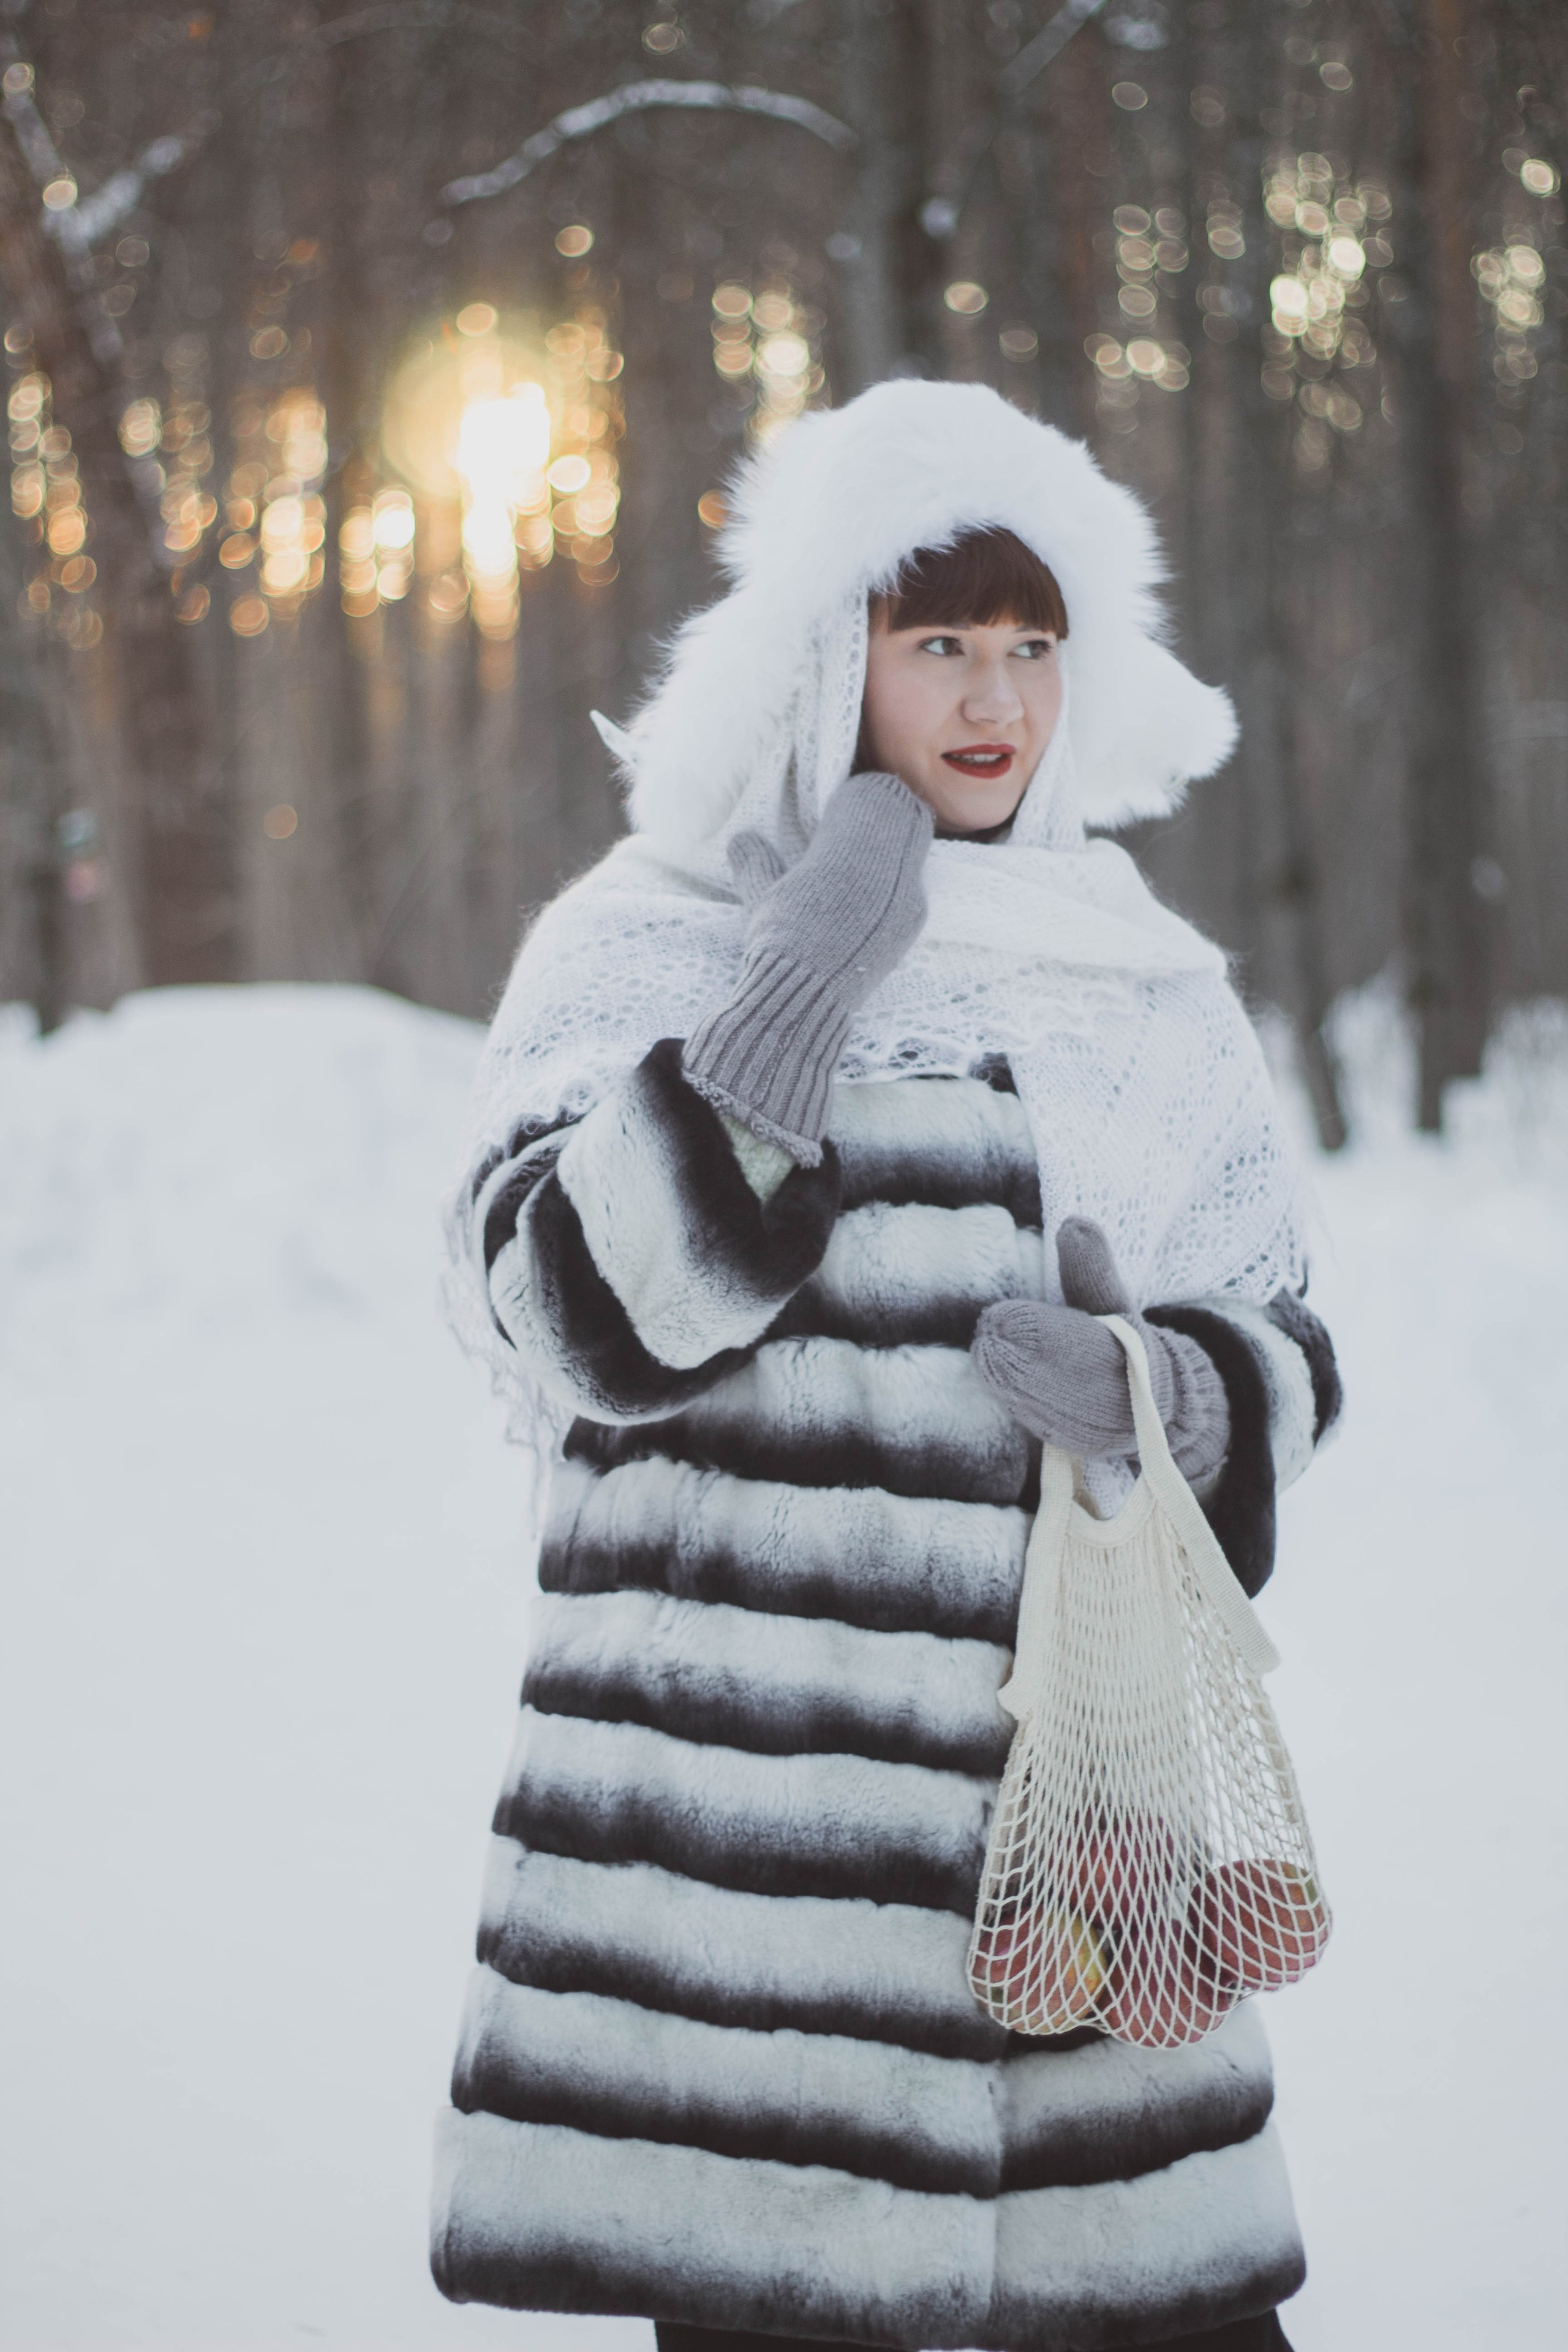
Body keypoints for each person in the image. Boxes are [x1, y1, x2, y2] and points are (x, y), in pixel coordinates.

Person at [431, 382, 1341, 2352]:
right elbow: (563, 1320)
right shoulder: (651, 939)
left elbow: (1281, 1334)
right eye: (939, 641)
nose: (993, 695)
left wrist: (1174, 1399)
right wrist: (794, 994)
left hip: (1072, 1868)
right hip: (750, 1927)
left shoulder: (1141, 983)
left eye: (1030, 646)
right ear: (830, 654)